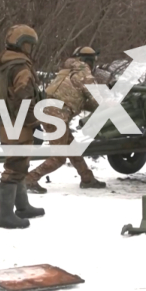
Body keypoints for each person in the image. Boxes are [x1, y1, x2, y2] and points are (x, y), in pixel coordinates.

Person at [25, 46, 107, 193]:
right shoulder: (83, 73)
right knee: (59, 157)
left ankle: (87, 178)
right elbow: (96, 100)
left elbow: (77, 98)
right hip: (57, 115)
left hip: (50, 111)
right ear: (89, 61)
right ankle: (29, 179)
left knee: (72, 148)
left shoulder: (68, 71)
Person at [0, 25, 45, 228]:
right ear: (23, 44)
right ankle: (5, 217)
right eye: (29, 45)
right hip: (19, 122)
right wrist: (35, 124)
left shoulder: (5, 63)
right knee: (14, 167)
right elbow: (24, 99)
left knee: (20, 163)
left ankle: (22, 207)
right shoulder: (20, 67)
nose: (30, 49)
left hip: (8, 119)